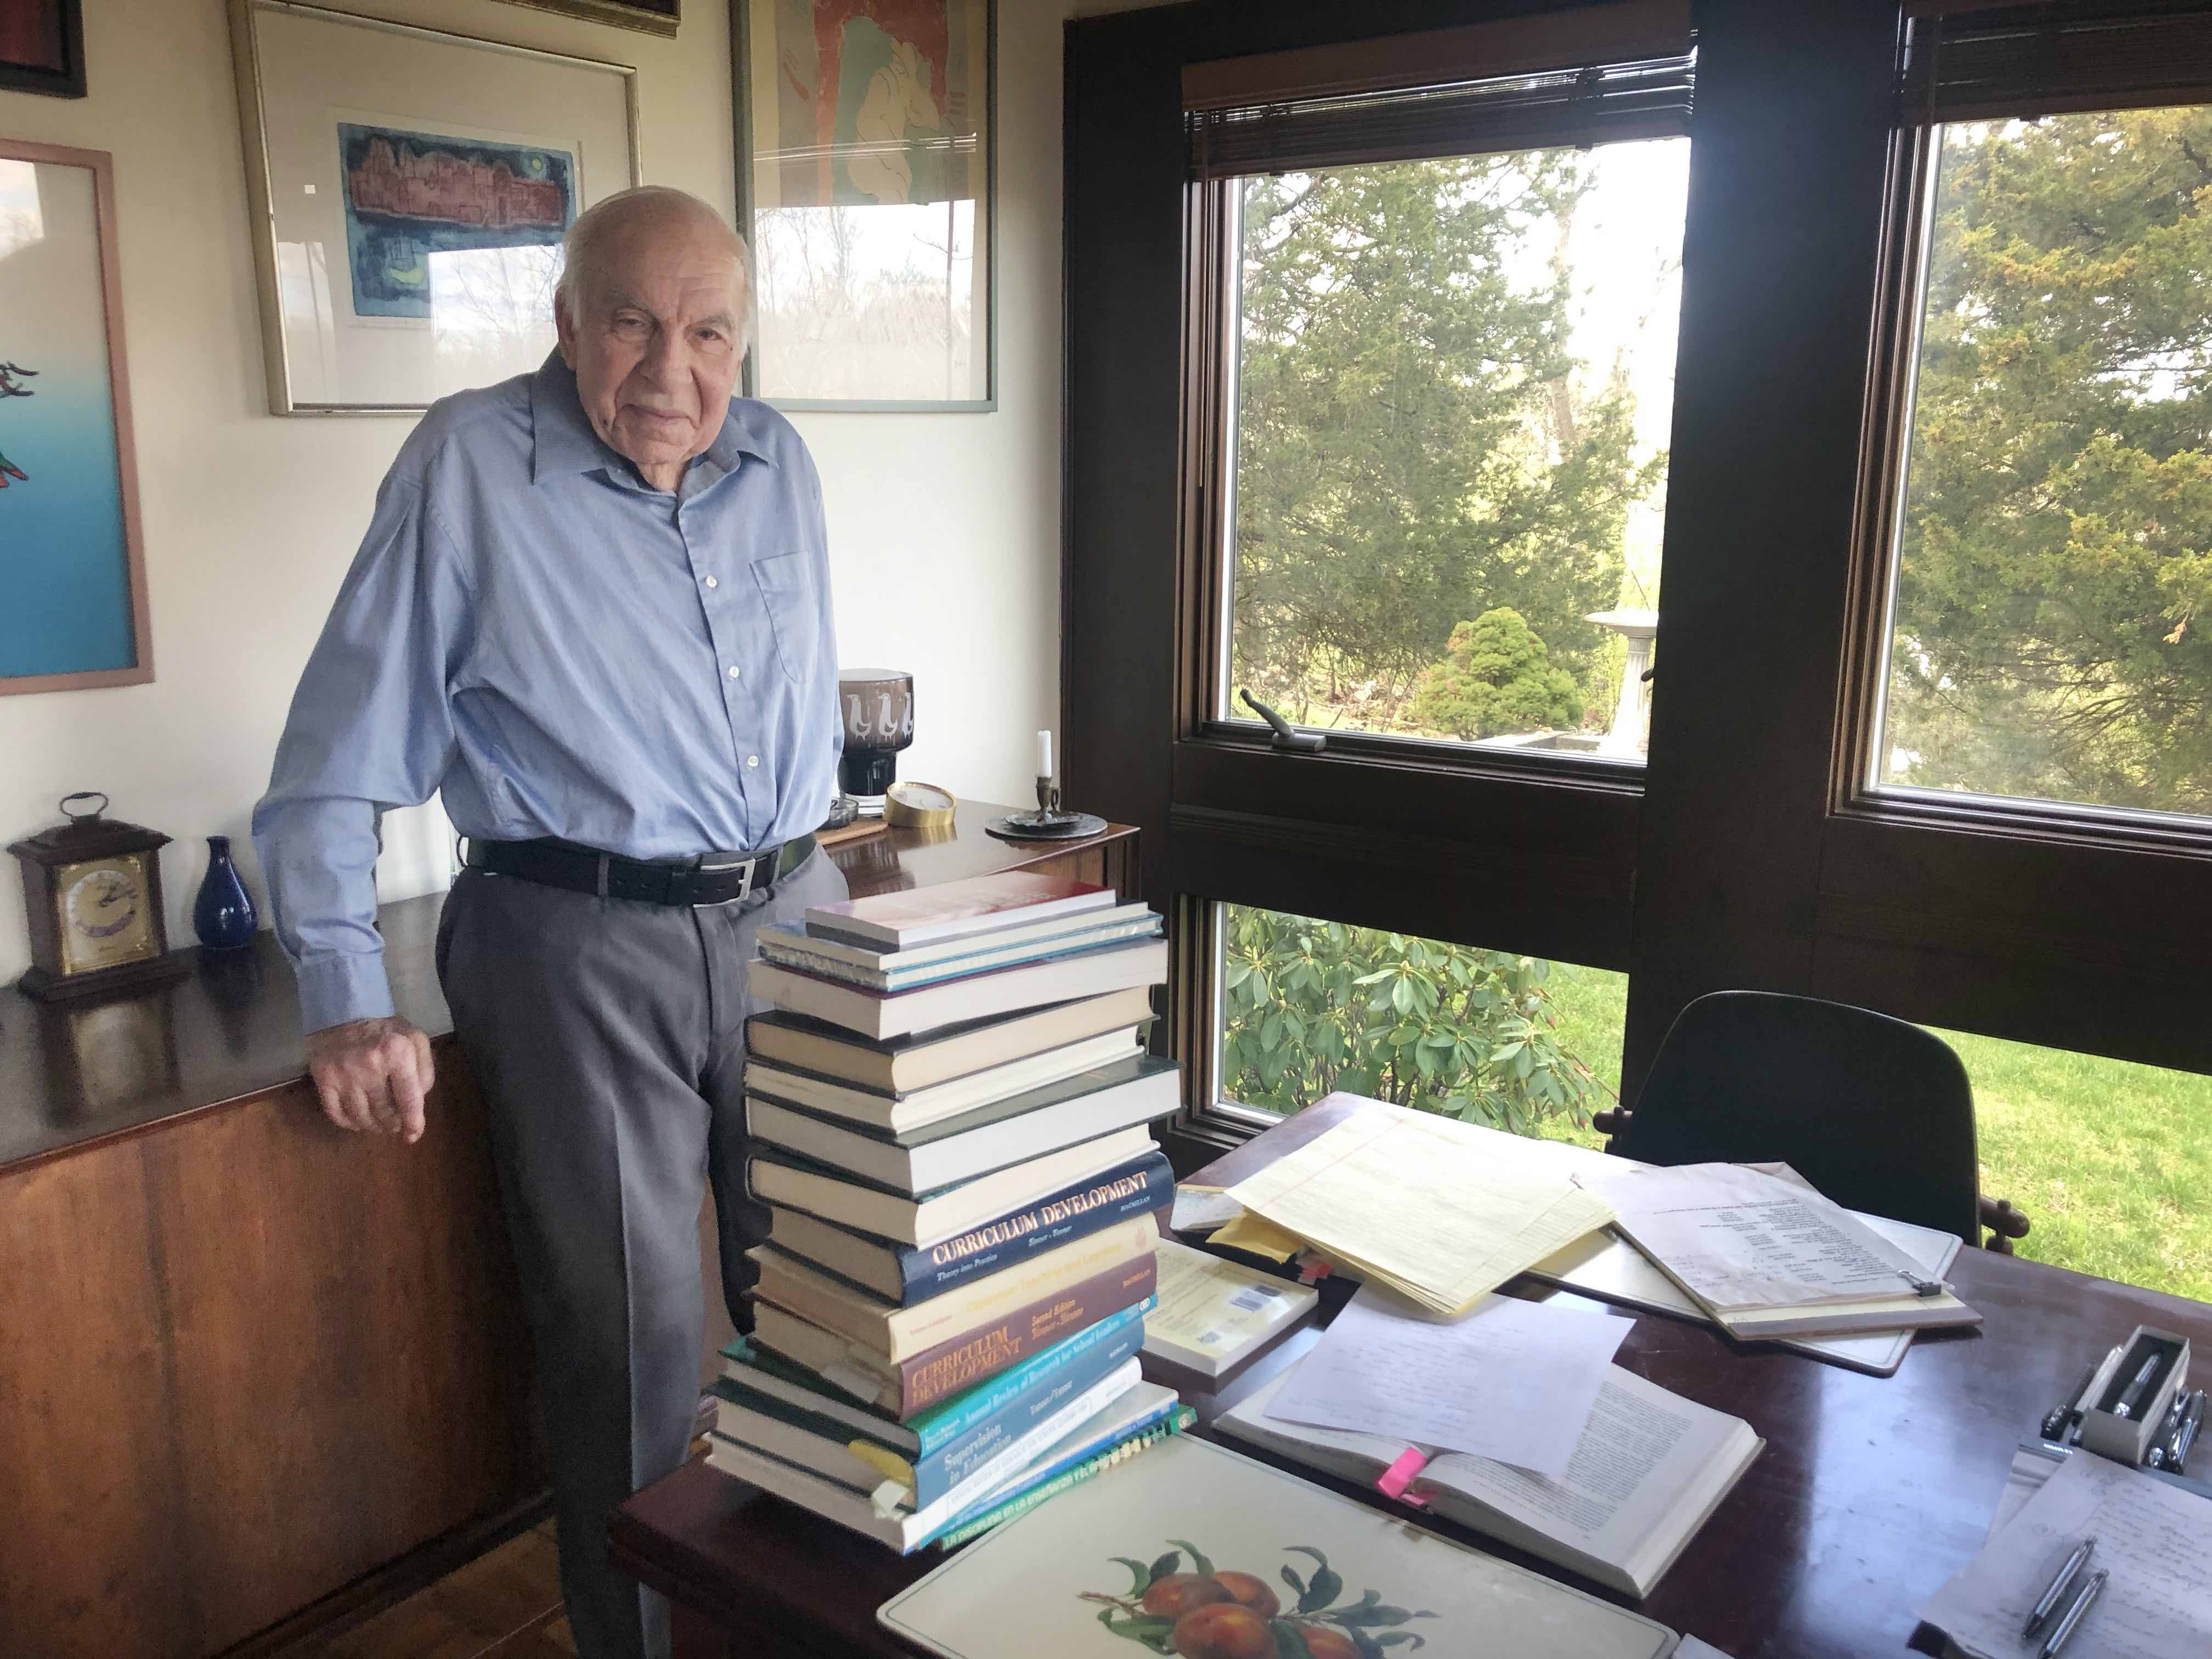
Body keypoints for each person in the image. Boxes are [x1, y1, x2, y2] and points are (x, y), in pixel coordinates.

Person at [253, 186, 843, 1659]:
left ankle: (821, 1629)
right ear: (567, 322)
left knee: (836, 1312)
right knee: (636, 1360)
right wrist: (342, 990)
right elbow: (332, 764)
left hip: (792, 918)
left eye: (710, 331)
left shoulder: (778, 461)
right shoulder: (470, 463)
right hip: (577, 941)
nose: (672, 370)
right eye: (634, 322)